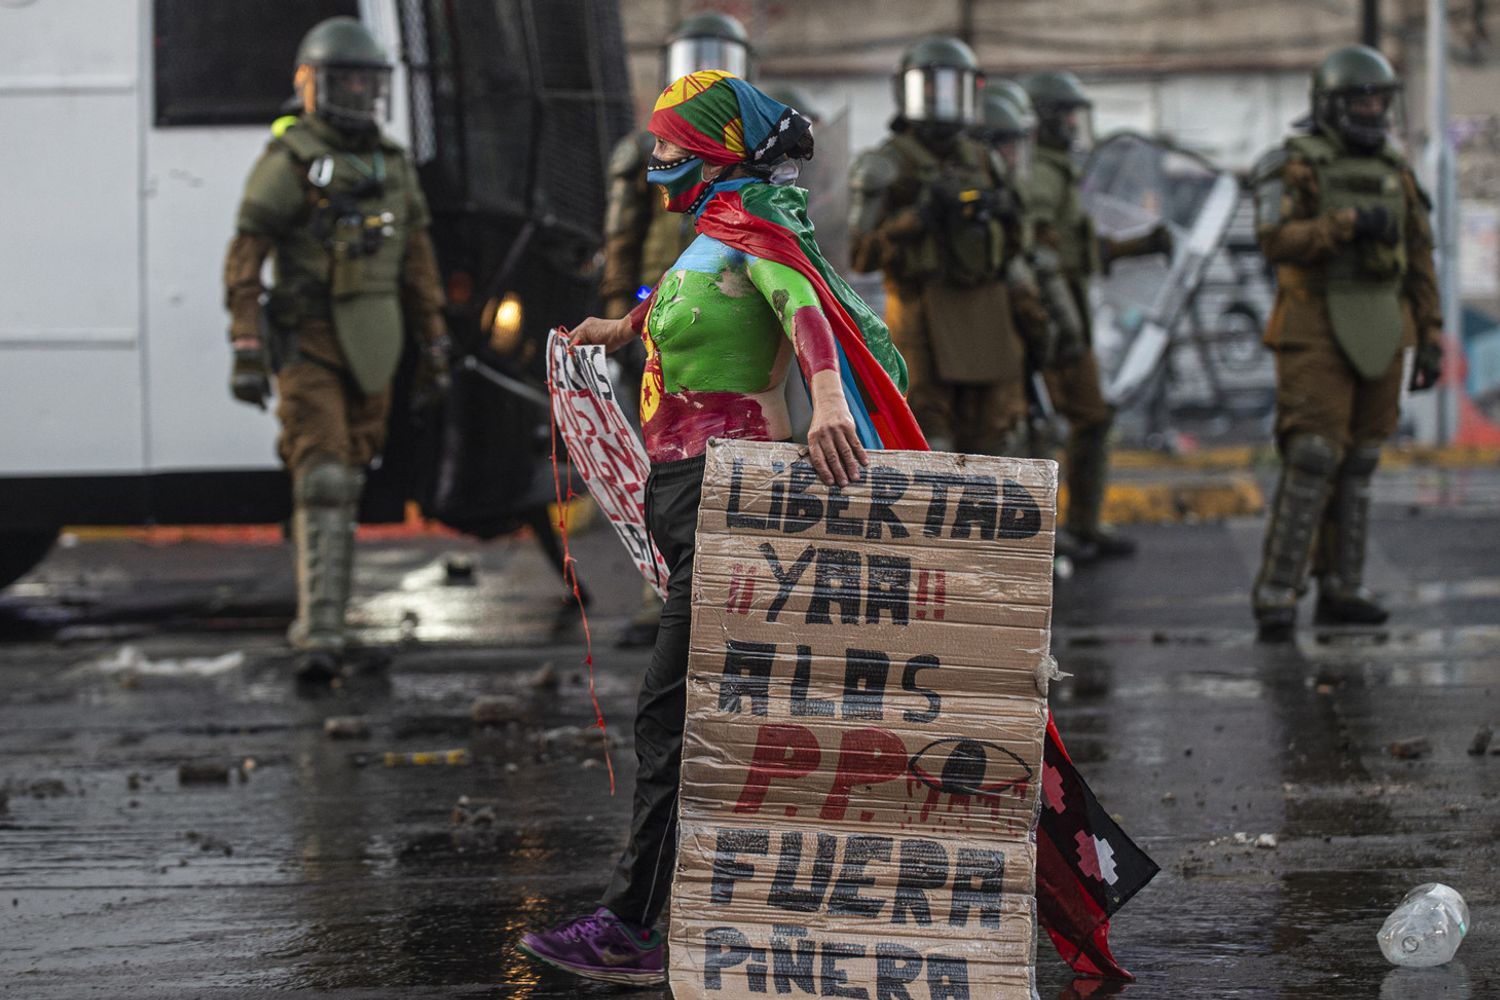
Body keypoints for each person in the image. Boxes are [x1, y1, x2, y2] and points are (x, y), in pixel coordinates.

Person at [519, 70, 919, 986]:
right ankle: (760, 910)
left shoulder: (759, 234)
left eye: (669, 148)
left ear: (713, 155)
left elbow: (803, 310)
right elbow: (689, 304)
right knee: (725, 710)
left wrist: (825, 403)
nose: (656, 162)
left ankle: (632, 926)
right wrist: (621, 329)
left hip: (728, 497)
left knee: (671, 713)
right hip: (683, 491)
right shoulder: (709, 237)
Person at [223, 16, 449, 682]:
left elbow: (417, 259)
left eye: (365, 79)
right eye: (344, 78)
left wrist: (435, 341)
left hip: (376, 341)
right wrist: (244, 341)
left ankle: (332, 621)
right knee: (322, 477)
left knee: (347, 479)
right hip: (309, 340)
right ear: (313, 84)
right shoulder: (290, 161)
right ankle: (318, 634)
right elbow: (244, 256)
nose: (357, 91)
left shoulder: (391, 161)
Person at [1249, 44, 1442, 641]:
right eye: (1360, 99)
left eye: (1379, 100)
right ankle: (1277, 593)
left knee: (1359, 461)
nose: (1371, 110)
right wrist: (1347, 224)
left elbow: (1420, 257)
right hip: (1313, 327)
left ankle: (1343, 587)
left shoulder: (1397, 169)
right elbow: (1274, 237)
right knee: (1311, 456)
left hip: (1384, 324)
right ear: (1330, 105)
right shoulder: (1294, 163)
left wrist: (1431, 332)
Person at [601, 11, 754, 649]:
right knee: (662, 461)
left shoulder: (752, 142)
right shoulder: (646, 148)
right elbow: (619, 236)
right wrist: (619, 312)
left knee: (738, 460)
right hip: (656, 319)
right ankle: (658, 595)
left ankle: (731, 595)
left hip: (735, 321)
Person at [850, 36, 1029, 456]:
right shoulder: (886, 162)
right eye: (929, 90)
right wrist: (920, 217)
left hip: (986, 310)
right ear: (904, 91)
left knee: (993, 439)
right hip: (920, 311)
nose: (941, 103)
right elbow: (860, 255)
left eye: (953, 89)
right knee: (929, 437)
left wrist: (1005, 213)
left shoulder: (985, 160)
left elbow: (1017, 246)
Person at [1022, 70, 1138, 560]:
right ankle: (1050, 536)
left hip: (1071, 315)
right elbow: (1035, 250)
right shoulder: (1041, 176)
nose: (1073, 123)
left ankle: (1083, 524)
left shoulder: (1058, 172)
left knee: (1090, 417)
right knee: (1048, 428)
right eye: (1066, 114)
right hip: (1052, 322)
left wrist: (1134, 246)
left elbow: (1071, 248)